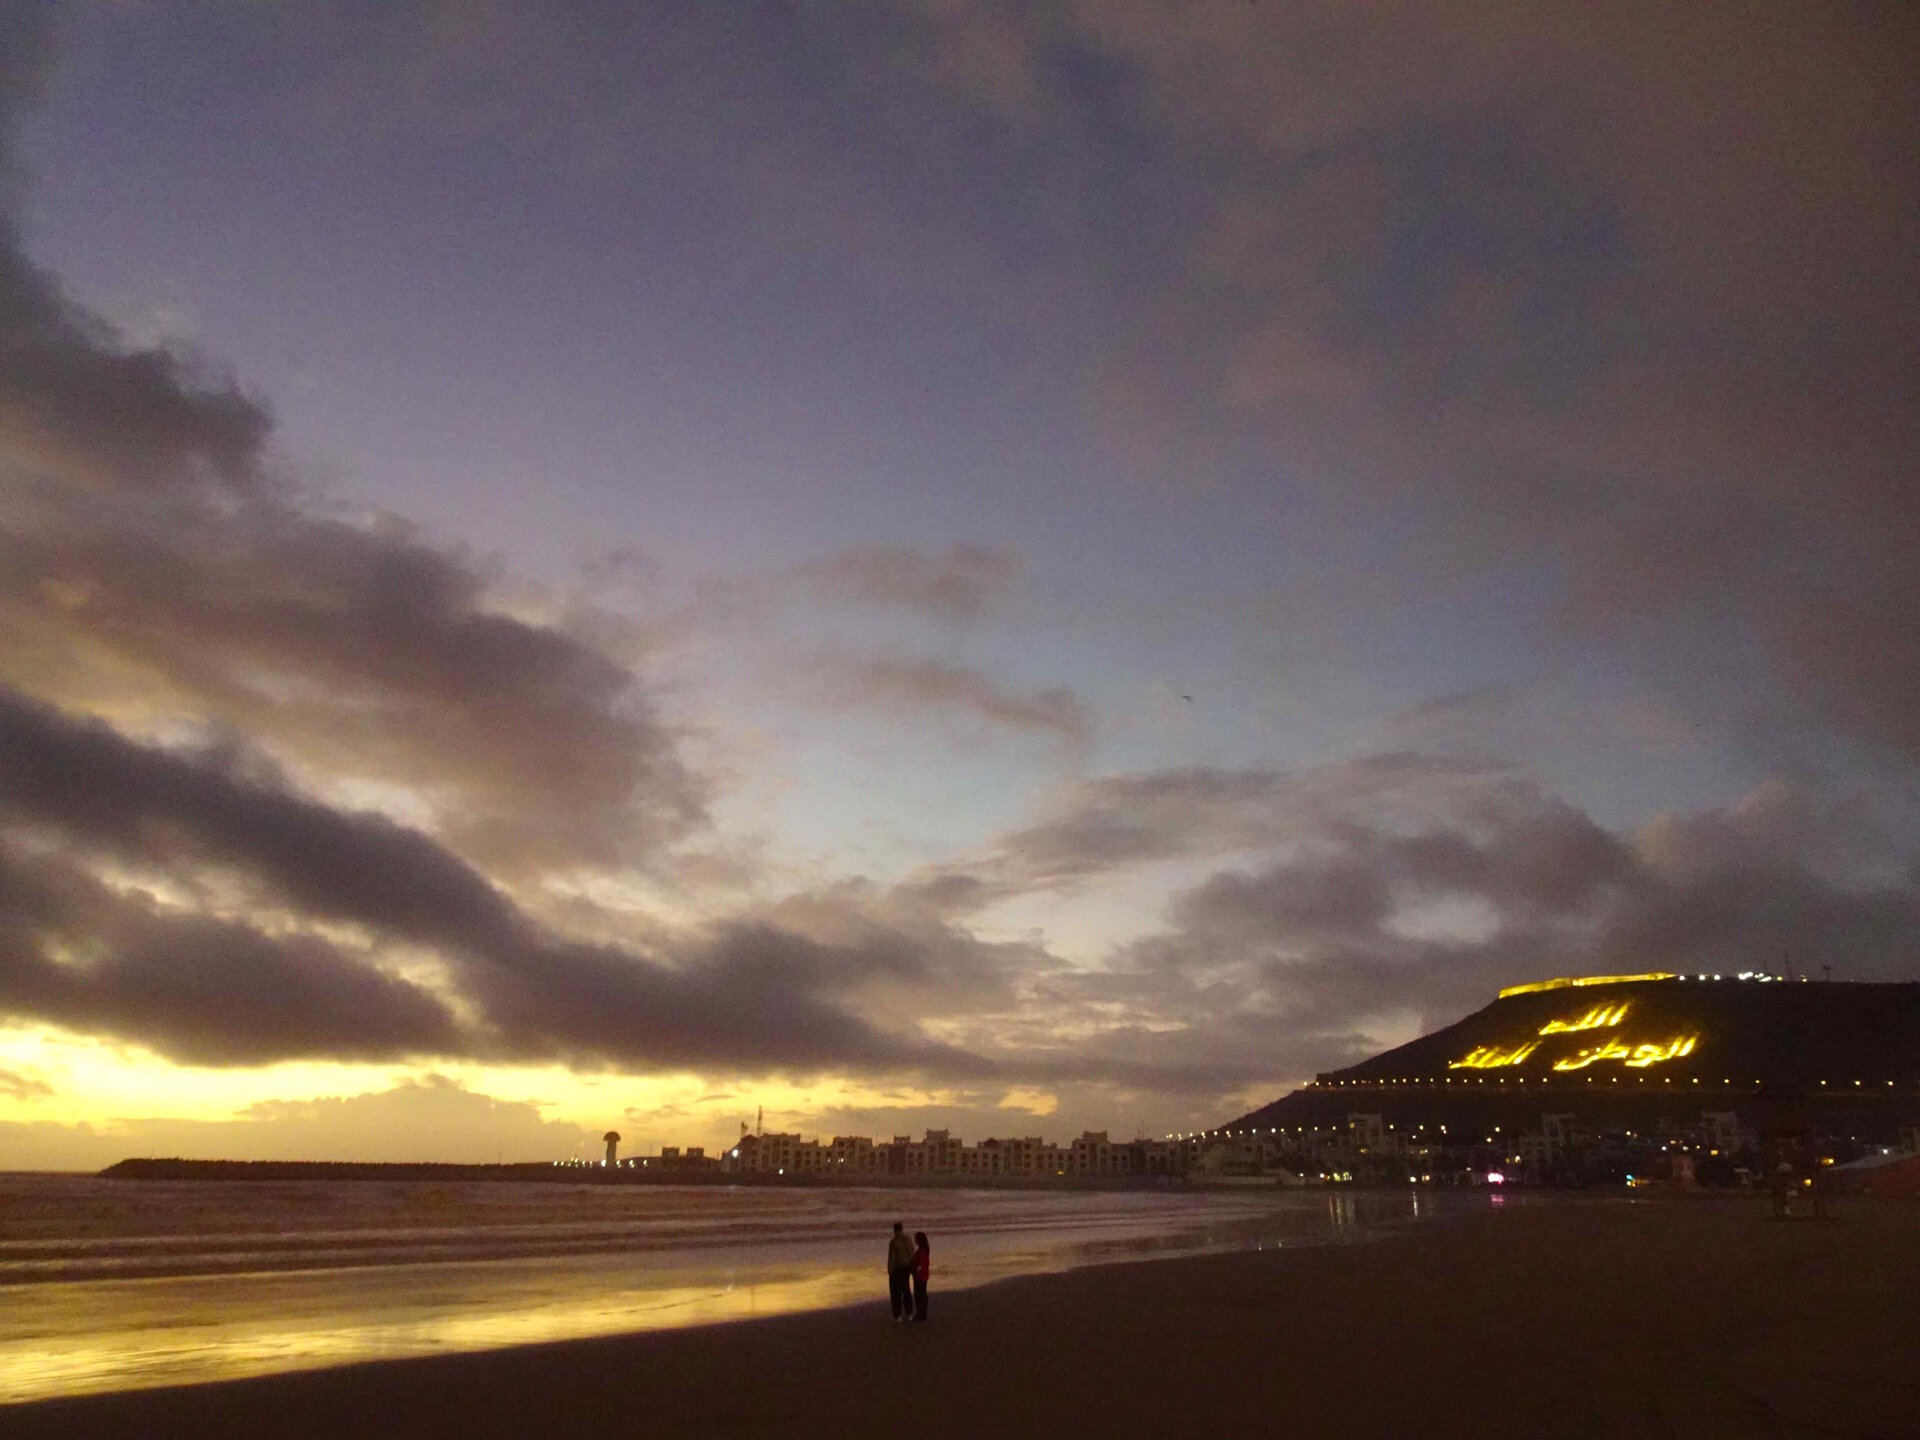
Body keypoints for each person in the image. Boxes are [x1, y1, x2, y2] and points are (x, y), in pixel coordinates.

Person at [886, 1221, 915, 1322]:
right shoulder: (908, 1239)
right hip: (907, 1268)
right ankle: (909, 1314)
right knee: (906, 1290)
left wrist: (889, 1270)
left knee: (895, 1292)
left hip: (897, 1268)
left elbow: (892, 1258)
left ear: (894, 1230)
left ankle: (898, 1315)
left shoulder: (894, 1241)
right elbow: (912, 1253)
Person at [911, 1231, 930, 1322]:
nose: (915, 1240)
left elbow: (920, 1264)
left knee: (919, 1294)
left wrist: (915, 1270)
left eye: (916, 1238)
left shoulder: (921, 1251)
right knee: (922, 1294)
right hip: (924, 1274)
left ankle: (920, 1313)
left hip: (920, 1275)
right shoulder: (925, 1249)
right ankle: (923, 1313)